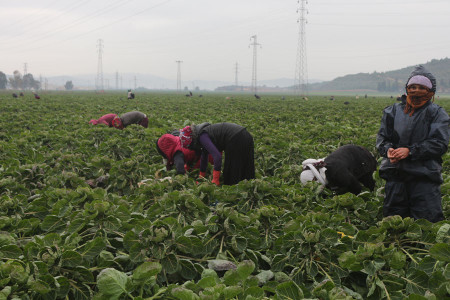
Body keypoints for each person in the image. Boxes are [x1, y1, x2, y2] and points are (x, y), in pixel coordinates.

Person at [376, 65, 449, 223]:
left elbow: (440, 143)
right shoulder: (392, 111)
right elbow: (382, 138)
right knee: (394, 225)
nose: (416, 91)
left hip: (424, 179)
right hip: (395, 177)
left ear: (431, 91)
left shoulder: (436, 113)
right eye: (413, 87)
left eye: (422, 87)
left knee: (426, 226)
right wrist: (388, 151)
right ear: (407, 89)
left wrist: (410, 151)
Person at [179, 122, 255, 186]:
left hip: (236, 138)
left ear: (191, 140)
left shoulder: (203, 136)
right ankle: (249, 186)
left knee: (231, 170)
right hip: (245, 135)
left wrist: (215, 179)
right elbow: (204, 157)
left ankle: (234, 191)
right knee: (246, 165)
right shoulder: (203, 134)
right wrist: (201, 177)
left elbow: (217, 157)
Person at [300, 144, 377, 195]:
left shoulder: (337, 172)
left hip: (361, 158)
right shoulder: (325, 171)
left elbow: (356, 188)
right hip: (348, 155)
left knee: (370, 186)